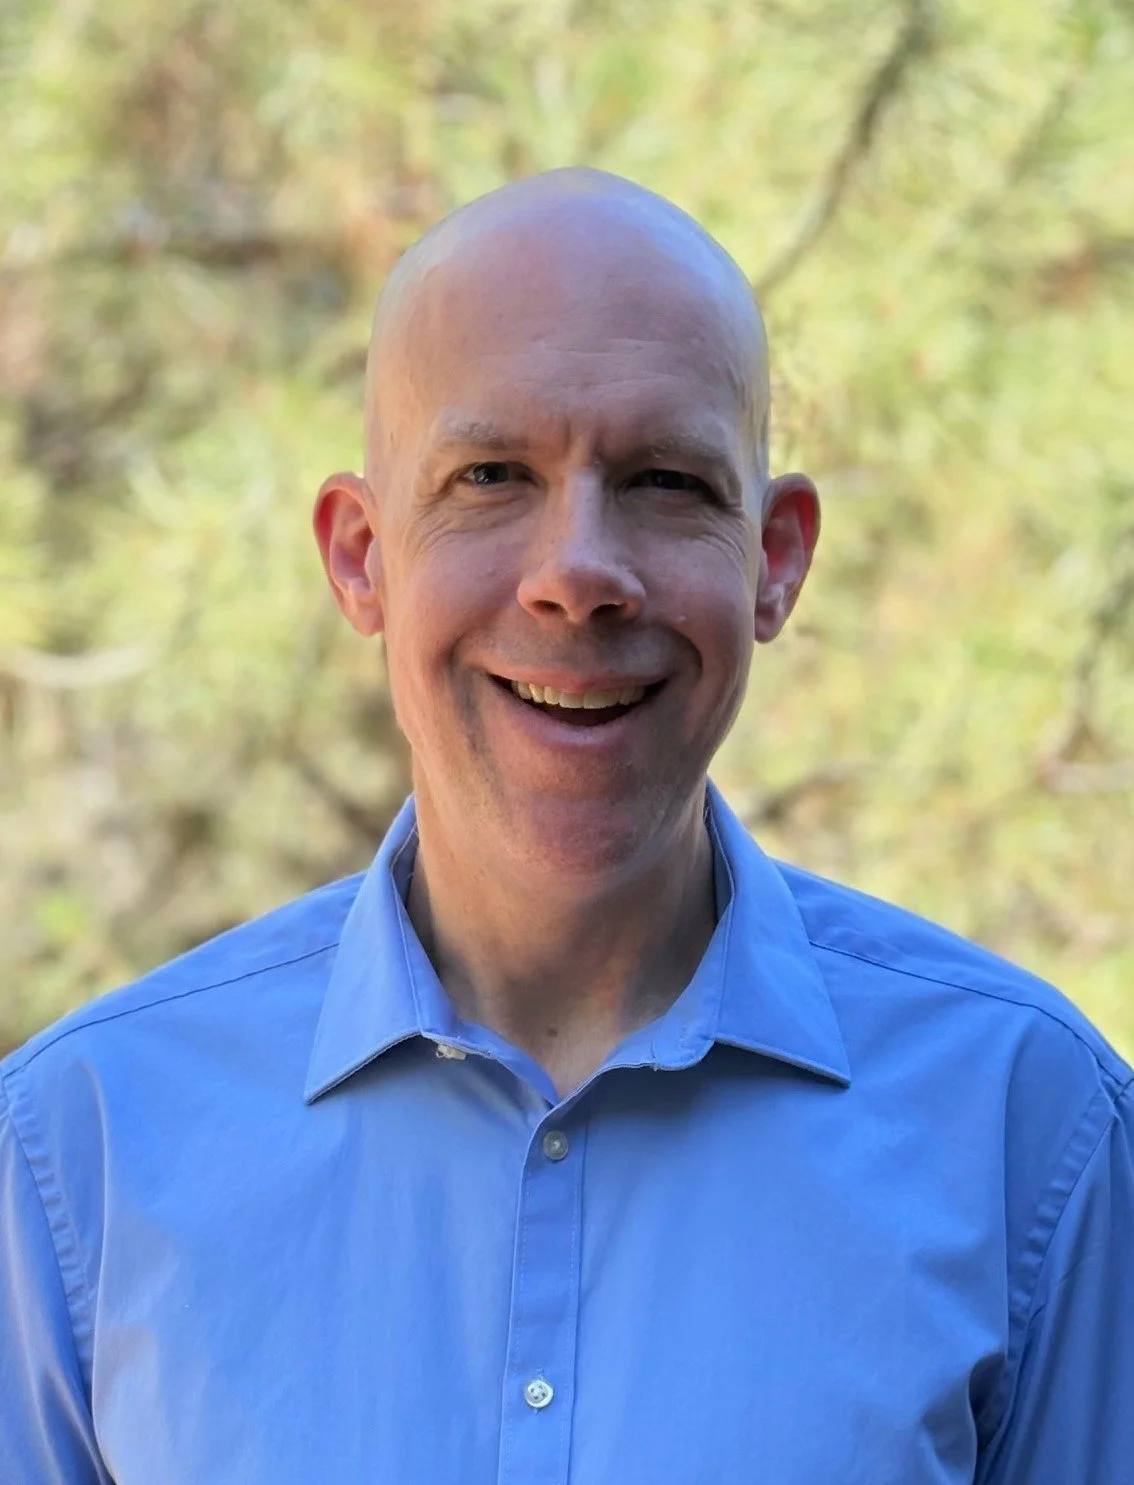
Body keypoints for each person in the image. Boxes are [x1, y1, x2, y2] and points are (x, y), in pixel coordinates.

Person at [1, 168, 1130, 1485]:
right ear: (361, 555)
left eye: (662, 481)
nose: (576, 575)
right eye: (490, 475)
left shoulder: (1027, 1130)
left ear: (773, 559)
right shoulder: (83, 1150)